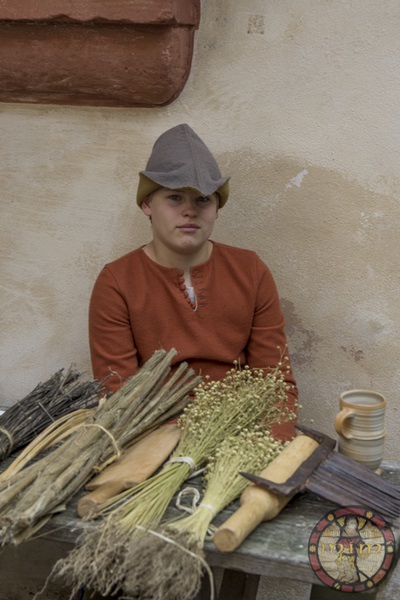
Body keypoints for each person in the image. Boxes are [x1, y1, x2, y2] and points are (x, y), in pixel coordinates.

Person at [89, 123, 298, 442]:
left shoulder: (250, 271)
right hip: (153, 436)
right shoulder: (117, 282)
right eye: (175, 198)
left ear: (217, 209)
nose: (189, 211)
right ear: (147, 204)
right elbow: (119, 392)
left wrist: (269, 446)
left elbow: (274, 378)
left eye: (202, 199)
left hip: (243, 431)